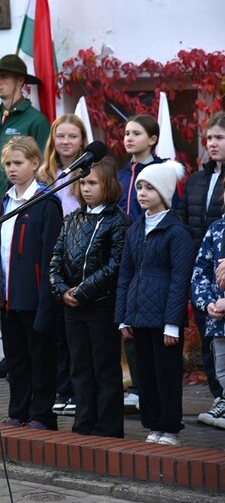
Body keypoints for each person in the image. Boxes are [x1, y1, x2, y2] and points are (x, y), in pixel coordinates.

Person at [0, 136, 61, 430]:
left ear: (35, 163)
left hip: (34, 296)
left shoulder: (46, 202)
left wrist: (46, 300)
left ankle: (42, 414)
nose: (11, 169)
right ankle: (19, 410)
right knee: (16, 359)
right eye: (7, 164)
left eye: (18, 163)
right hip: (9, 297)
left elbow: (51, 254)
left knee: (40, 358)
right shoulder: (4, 201)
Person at [0, 54, 50, 380]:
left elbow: (43, 162)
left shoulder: (34, 119)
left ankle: (26, 358)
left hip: (26, 205)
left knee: (21, 277)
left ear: (21, 83)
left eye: (5, 77)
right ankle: (10, 354)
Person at [115, 160, 193, 446]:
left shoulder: (177, 232)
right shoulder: (134, 230)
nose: (142, 193)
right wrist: (123, 317)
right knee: (145, 373)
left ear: (164, 191)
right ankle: (152, 424)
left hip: (163, 318)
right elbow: (125, 274)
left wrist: (172, 323)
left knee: (166, 374)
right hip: (137, 315)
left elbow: (179, 280)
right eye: (139, 187)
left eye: (149, 187)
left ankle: (169, 427)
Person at [49, 157, 128, 437]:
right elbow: (56, 258)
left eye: (92, 183)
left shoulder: (117, 221)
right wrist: (61, 289)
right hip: (72, 306)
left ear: (107, 185)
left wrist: (82, 292)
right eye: (82, 182)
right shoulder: (72, 218)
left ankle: (107, 427)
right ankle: (84, 423)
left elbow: (114, 265)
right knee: (79, 366)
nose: (85, 188)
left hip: (100, 306)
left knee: (104, 368)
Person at [38, 114, 87, 417]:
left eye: (72, 136)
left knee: (74, 332)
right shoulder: (44, 175)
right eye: (61, 136)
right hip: (50, 257)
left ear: (82, 140)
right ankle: (61, 387)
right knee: (55, 330)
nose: (66, 142)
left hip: (78, 258)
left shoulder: (87, 172)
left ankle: (75, 389)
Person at [177, 112, 225, 420]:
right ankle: (219, 397)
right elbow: (182, 221)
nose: (212, 143)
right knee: (211, 339)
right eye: (209, 138)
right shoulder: (196, 180)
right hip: (203, 273)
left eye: (220, 137)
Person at [117, 114, 165, 414]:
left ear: (153, 139)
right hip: (121, 252)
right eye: (126, 133)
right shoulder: (122, 174)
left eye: (136, 133)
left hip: (148, 252)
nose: (129, 138)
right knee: (124, 320)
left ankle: (143, 387)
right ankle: (127, 381)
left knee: (143, 320)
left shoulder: (160, 172)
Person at [0, 54, 50, 202]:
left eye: (4, 77)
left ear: (20, 80)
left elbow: (44, 168)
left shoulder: (36, 121)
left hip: (20, 202)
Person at [191, 191, 225, 430]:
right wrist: (208, 302)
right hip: (219, 320)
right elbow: (200, 271)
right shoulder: (216, 229)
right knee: (221, 369)